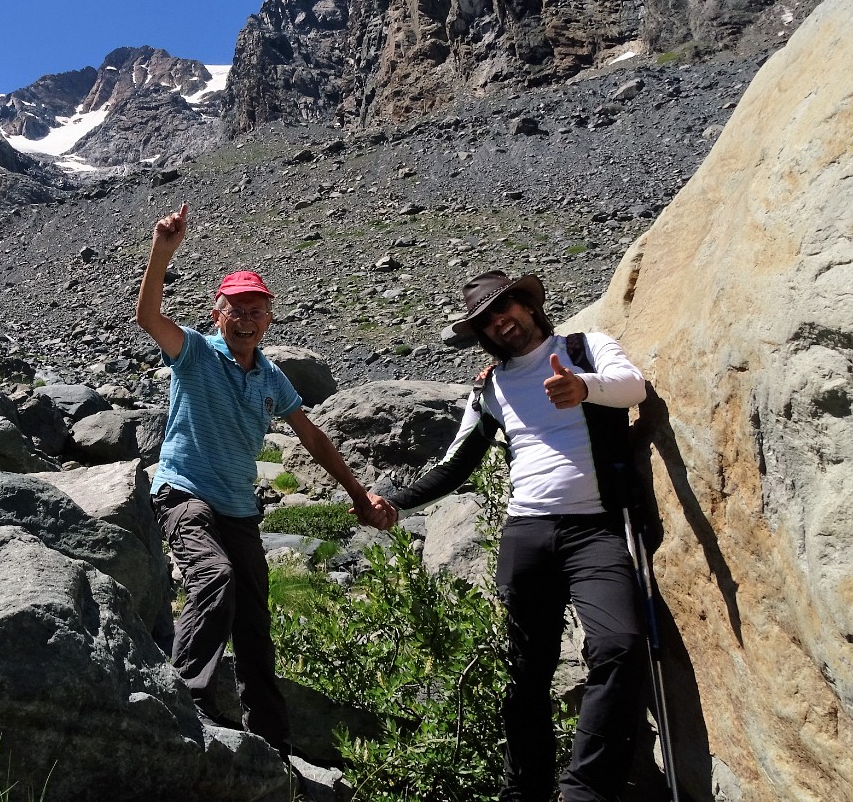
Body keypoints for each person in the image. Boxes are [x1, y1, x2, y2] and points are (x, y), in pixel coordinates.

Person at [135, 202, 397, 755]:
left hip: (240, 508)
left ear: (269, 318)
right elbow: (148, 317)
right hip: (185, 492)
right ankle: (185, 701)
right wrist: (163, 252)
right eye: (237, 309)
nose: (248, 319)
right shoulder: (196, 354)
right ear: (218, 313)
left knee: (255, 625)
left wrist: (358, 494)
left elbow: (311, 436)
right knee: (213, 575)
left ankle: (272, 743)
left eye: (257, 310)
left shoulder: (272, 376)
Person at [384, 270, 649, 802]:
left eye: (505, 308)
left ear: (528, 305)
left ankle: (583, 790)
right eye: (485, 319)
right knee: (527, 676)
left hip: (594, 530)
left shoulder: (585, 346)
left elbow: (633, 388)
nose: (499, 321)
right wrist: (393, 500)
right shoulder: (488, 388)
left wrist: (583, 388)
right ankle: (523, 792)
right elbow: (455, 465)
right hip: (526, 533)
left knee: (619, 646)